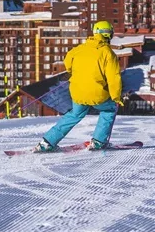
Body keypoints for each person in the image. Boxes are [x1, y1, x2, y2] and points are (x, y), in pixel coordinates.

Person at [34, 20, 123, 152]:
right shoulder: (108, 53)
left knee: (74, 115)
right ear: (109, 35)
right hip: (97, 94)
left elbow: (67, 63)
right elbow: (114, 78)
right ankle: (98, 142)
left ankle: (47, 142)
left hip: (78, 92)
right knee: (108, 110)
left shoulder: (78, 50)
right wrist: (116, 97)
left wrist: (75, 71)